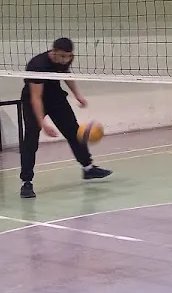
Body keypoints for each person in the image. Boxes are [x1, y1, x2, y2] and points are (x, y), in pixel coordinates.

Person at [18, 37, 112, 199]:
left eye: (67, 57)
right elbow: (36, 98)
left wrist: (77, 95)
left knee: (74, 132)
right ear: (53, 52)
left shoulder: (66, 59)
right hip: (33, 100)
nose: (64, 60)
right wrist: (43, 124)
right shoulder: (37, 65)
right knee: (30, 139)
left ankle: (88, 168)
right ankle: (26, 182)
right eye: (61, 56)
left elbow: (66, 74)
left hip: (56, 98)